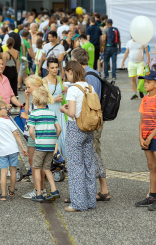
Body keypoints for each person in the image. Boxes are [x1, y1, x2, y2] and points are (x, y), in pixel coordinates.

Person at [71, 48, 110, 201]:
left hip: (91, 121)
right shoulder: (92, 74)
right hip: (93, 120)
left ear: (75, 61)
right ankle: (99, 189)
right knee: (93, 153)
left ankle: (100, 190)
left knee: (93, 154)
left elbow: (91, 103)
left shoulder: (89, 77)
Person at [60, 61, 97, 212]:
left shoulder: (73, 89)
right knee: (88, 164)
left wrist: (63, 109)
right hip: (89, 127)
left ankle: (78, 204)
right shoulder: (89, 86)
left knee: (76, 167)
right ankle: (90, 201)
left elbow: (72, 113)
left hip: (76, 128)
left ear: (70, 71)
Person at [134, 70, 156, 211]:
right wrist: (141, 137)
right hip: (146, 138)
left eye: (148, 82)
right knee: (151, 166)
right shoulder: (145, 99)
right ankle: (152, 196)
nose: (145, 84)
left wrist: (149, 137)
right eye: (144, 82)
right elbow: (141, 120)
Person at [0, 99, 28, 201]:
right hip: (13, 150)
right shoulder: (8, 121)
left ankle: (3, 194)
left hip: (2, 152)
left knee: (3, 172)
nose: (7, 109)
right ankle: (11, 190)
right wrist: (23, 148)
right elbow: (17, 135)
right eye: (5, 108)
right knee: (13, 170)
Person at [27, 88, 61, 202]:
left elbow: (31, 131)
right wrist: (53, 139)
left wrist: (36, 140)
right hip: (51, 145)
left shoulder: (34, 113)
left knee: (36, 168)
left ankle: (39, 193)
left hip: (40, 145)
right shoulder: (52, 113)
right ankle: (54, 190)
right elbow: (59, 129)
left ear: (35, 101)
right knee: (47, 168)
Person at [21, 75, 52, 199]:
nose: (27, 89)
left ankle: (38, 189)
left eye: (28, 87)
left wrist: (27, 118)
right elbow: (28, 111)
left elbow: (38, 117)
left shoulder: (40, 100)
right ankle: (40, 188)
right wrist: (27, 99)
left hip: (36, 134)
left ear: (36, 86)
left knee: (35, 163)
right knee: (33, 162)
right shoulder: (34, 98)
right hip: (31, 133)